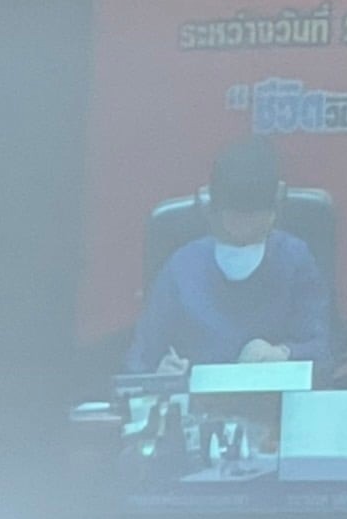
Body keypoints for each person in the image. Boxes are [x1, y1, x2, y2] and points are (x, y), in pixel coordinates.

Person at [124, 138, 333, 377]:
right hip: (195, 397)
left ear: (274, 212)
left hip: (276, 394)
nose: (245, 229)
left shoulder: (296, 259)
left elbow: (323, 352)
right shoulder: (181, 268)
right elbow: (139, 361)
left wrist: (284, 353)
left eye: (254, 218)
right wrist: (159, 373)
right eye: (235, 218)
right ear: (214, 212)